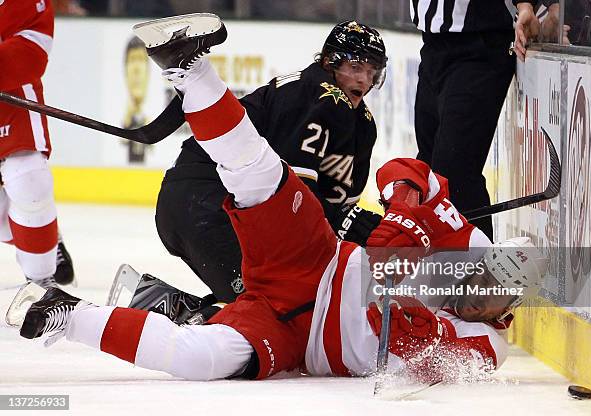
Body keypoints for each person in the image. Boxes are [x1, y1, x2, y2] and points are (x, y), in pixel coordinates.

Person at [14, 15, 546, 383]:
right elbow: (408, 174)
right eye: (479, 275)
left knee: (204, 359)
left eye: (491, 296)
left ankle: (69, 316)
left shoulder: (487, 348)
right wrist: (407, 217)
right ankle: (188, 69)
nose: (475, 292)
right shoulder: (462, 240)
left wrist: (401, 286)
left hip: (295, 339)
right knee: (262, 178)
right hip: (313, 259)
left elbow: (419, 350)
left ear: (508, 310)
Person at [132, 19, 387, 316]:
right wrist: (348, 223)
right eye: (356, 68)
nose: (364, 81)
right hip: (207, 204)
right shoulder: (316, 95)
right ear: (331, 62)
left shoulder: (360, 123)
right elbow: (295, 195)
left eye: (372, 72)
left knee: (288, 308)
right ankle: (171, 315)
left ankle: (166, 306)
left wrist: (352, 222)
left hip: (199, 203)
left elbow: (332, 207)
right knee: (272, 312)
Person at [411, 1, 543, 240]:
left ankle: (478, 273)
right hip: (432, 45)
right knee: (429, 169)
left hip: (480, 47)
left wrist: (526, 5)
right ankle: (443, 268)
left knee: (454, 173)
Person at [0, 0, 74, 288]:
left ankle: (43, 287)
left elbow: (32, 51)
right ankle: (46, 237)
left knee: (28, 181)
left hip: (10, 100)